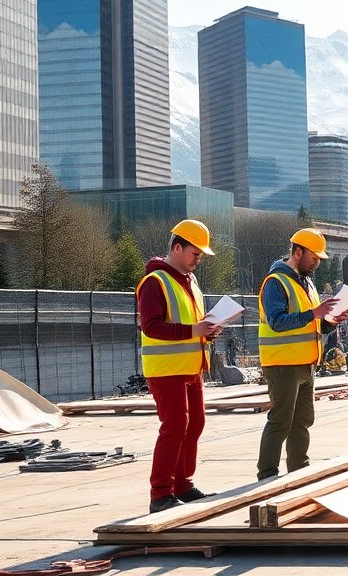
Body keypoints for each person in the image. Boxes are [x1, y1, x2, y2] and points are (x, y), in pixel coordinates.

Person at [136, 219, 223, 513]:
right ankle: (160, 494)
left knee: (195, 424)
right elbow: (151, 326)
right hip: (166, 369)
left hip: (190, 367)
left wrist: (207, 330)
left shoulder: (190, 282)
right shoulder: (155, 282)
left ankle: (183, 485)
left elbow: (191, 323)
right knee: (174, 427)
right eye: (195, 253)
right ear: (177, 248)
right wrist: (194, 330)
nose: (199, 260)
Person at [255, 228, 348, 481]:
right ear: (297, 252)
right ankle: (267, 475)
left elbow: (312, 324)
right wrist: (315, 313)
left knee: (303, 421)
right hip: (282, 364)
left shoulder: (306, 283)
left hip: (306, 364)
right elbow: (277, 321)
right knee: (280, 421)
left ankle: (299, 472)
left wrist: (330, 321)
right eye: (313, 257)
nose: (317, 262)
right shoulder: (275, 282)